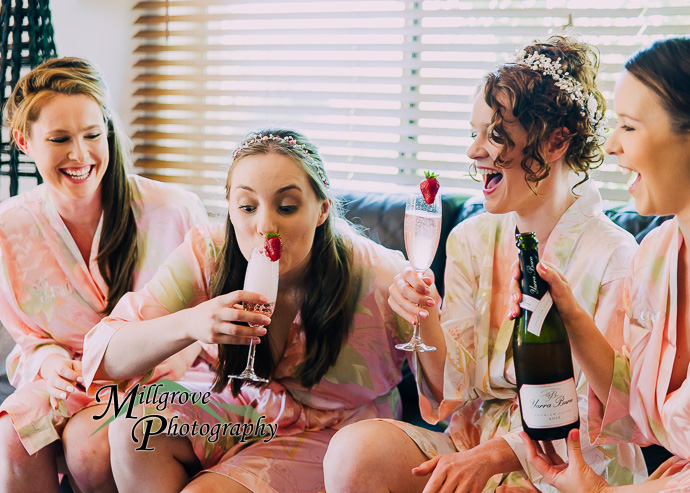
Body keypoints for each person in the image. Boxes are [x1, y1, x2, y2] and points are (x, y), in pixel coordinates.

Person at [324, 36, 648, 492]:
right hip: (473, 441)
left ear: (556, 142)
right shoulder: (470, 239)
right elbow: (451, 392)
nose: (473, 152)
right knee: (354, 455)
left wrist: (500, 457)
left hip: (575, 460)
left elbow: (613, 409)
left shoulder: (616, 255)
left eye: (493, 135)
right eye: (473, 132)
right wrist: (427, 320)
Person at [80, 128, 414, 492]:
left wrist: (424, 320)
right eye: (247, 207)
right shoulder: (209, 250)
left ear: (322, 210)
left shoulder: (380, 276)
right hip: (240, 400)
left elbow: (445, 390)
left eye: (287, 207)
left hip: (334, 428)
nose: (265, 227)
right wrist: (190, 322)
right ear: (230, 209)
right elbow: (105, 355)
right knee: (133, 428)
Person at [0, 57, 211, 493]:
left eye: (93, 134)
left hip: (163, 377)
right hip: (73, 381)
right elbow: (30, 337)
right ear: (24, 141)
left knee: (89, 446)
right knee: (17, 436)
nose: (80, 154)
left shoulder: (172, 210)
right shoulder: (8, 230)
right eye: (59, 138)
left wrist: (179, 353)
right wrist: (48, 360)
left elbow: (209, 314)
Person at [512, 37, 690, 493]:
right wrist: (570, 314)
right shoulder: (656, 257)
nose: (610, 146)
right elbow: (634, 404)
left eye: (629, 127)